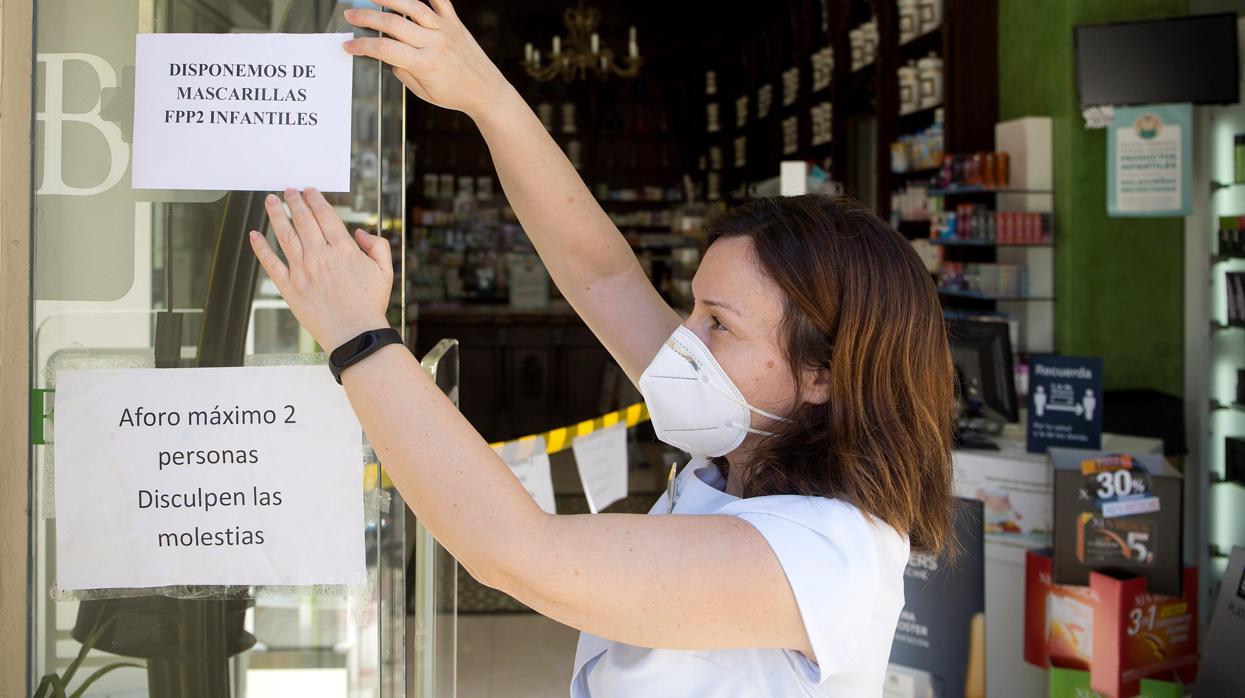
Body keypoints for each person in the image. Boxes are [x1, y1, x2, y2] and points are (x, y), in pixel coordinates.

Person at [247, 1, 958, 694]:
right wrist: (482, 93)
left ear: (822, 375)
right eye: (692, 306)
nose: (680, 337)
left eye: (718, 323)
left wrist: (359, 339)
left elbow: (517, 555)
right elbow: (603, 274)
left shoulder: (825, 553)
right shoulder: (737, 458)